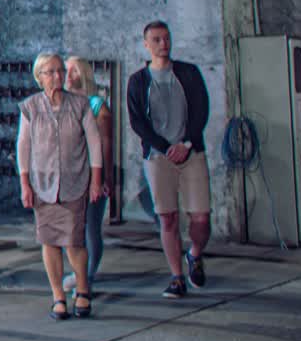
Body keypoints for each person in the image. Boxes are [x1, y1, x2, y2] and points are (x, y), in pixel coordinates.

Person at [126, 21, 211, 299]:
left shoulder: (188, 73)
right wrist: (164, 147)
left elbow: (201, 110)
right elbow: (138, 121)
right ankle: (177, 277)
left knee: (200, 217)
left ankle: (195, 253)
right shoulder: (138, 81)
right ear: (146, 44)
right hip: (158, 157)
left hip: (191, 152)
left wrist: (185, 143)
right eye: (157, 39)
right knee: (168, 218)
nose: (163, 43)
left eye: (166, 38)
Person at [17, 53, 103, 320]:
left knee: (74, 240)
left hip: (74, 182)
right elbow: (23, 146)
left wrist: (96, 181)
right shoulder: (30, 106)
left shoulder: (80, 105)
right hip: (43, 185)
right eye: (50, 72)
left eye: (59, 71)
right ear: (39, 77)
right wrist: (25, 184)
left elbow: (94, 144)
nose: (57, 76)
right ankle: (58, 296)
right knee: (49, 241)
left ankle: (82, 288)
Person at [62, 57, 115, 293]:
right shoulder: (60, 103)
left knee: (90, 228)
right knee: (70, 229)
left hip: (91, 174)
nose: (67, 74)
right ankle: (79, 272)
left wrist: (104, 177)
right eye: (65, 69)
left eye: (73, 70)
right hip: (68, 176)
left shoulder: (97, 105)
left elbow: (105, 143)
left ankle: (88, 276)